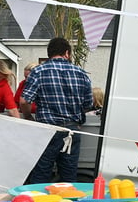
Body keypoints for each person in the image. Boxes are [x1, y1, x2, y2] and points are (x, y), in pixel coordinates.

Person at [20, 37, 93, 183]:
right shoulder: (81, 73)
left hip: (47, 130)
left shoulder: (38, 72)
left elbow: (24, 101)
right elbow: (88, 104)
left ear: (49, 53)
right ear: (67, 53)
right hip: (72, 131)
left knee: (41, 173)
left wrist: (28, 116)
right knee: (68, 176)